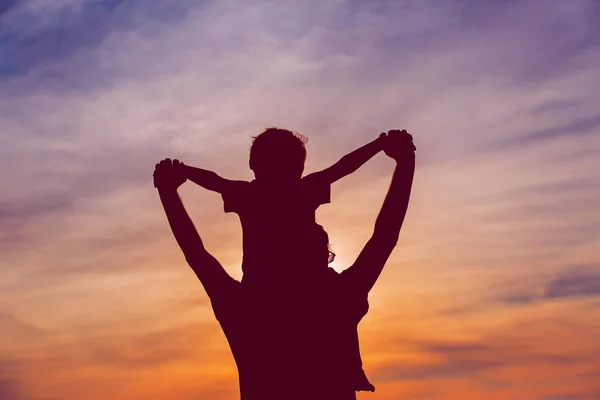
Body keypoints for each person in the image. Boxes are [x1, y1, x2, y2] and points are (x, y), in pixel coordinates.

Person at [153, 129, 416, 400]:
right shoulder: (338, 298)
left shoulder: (243, 307)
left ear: (253, 165)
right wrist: (402, 161)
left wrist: (169, 189)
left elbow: (196, 253)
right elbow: (385, 234)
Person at [174, 127, 386, 286]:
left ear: (252, 164)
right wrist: (378, 145)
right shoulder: (304, 190)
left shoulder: (248, 195)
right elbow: (342, 167)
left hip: (260, 288)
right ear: (300, 166)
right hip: (304, 284)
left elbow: (214, 181)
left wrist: (183, 171)